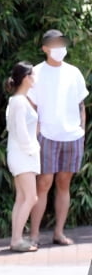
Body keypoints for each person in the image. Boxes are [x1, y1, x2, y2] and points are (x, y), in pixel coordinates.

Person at [29, 29, 86, 246]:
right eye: (54, 44)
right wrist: (34, 136)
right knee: (43, 183)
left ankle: (59, 233)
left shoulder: (74, 73)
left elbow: (81, 105)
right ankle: (34, 235)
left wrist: (81, 131)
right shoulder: (36, 73)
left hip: (72, 136)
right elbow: (31, 107)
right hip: (46, 135)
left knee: (64, 183)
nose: (59, 48)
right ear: (45, 48)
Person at [4, 63, 40, 252]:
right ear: (26, 77)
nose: (35, 78)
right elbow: (20, 131)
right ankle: (16, 240)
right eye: (33, 74)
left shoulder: (19, 100)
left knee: (23, 197)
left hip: (22, 153)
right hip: (23, 154)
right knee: (31, 197)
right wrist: (32, 149)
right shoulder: (18, 101)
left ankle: (16, 238)